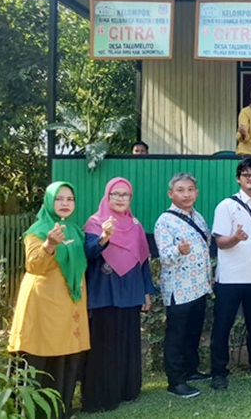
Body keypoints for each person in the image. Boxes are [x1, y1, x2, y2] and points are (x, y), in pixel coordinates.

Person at [8, 182, 89, 417]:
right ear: (49, 201)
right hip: (43, 304)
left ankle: (60, 409)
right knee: (40, 354)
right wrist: (49, 244)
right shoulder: (38, 230)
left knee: (66, 356)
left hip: (69, 303)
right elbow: (33, 265)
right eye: (59, 199)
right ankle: (33, 411)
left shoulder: (73, 230)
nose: (65, 204)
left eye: (69, 199)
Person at [81, 177, 155, 413]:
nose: (121, 199)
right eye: (116, 194)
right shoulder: (94, 223)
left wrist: (146, 292)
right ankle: (103, 395)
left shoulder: (135, 225)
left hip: (131, 292)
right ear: (107, 196)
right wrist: (105, 237)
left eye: (125, 195)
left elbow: (143, 260)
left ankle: (127, 390)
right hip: (105, 293)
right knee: (104, 347)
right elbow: (90, 253)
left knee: (127, 343)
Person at [209, 157, 251, 390]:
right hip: (232, 278)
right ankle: (218, 372)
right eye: (246, 174)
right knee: (222, 325)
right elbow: (220, 242)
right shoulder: (226, 206)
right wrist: (235, 238)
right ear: (238, 178)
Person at [154, 173, 213, 399]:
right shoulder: (164, 221)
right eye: (180, 190)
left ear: (196, 193)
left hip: (198, 287)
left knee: (192, 333)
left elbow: (205, 246)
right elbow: (165, 257)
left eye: (190, 190)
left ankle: (190, 370)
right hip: (179, 289)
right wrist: (180, 251)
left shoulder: (197, 217)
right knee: (177, 335)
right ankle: (175, 381)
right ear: (171, 194)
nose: (186, 194)